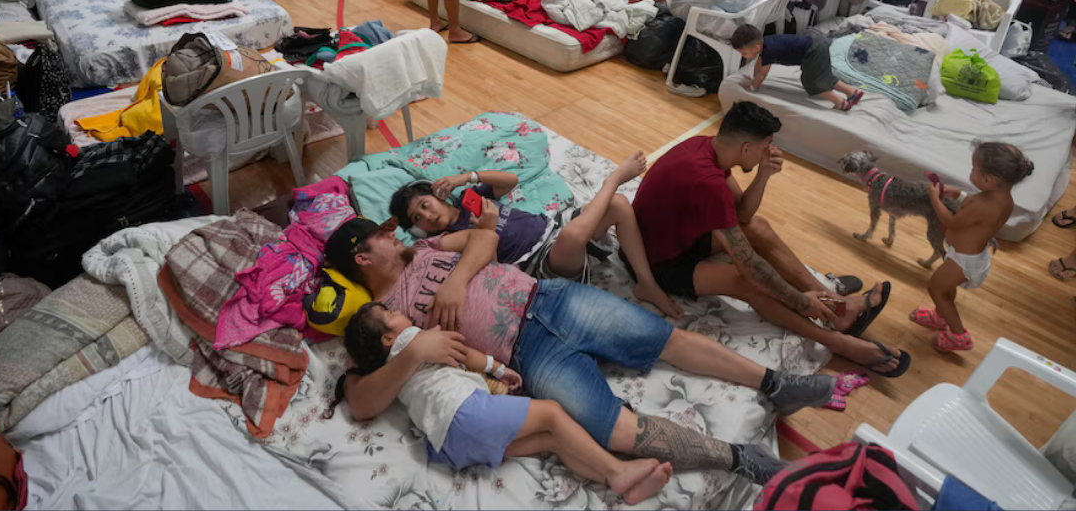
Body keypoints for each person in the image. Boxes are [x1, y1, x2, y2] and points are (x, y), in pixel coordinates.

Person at [325, 217, 837, 486]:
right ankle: (740, 459)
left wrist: (456, 282)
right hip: (528, 355)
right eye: (382, 235)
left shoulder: (426, 249)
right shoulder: (375, 318)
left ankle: (777, 384)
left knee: (667, 340)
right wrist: (416, 353)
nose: (395, 235)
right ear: (362, 257)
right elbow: (361, 400)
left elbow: (484, 238)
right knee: (610, 429)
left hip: (549, 298)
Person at [632, 101, 910, 377]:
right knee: (744, 282)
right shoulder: (708, 183)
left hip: (679, 237)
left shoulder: (708, 147)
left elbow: (743, 215)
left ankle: (838, 307)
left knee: (758, 227)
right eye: (766, 146)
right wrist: (801, 302)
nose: (771, 151)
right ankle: (840, 344)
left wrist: (763, 174)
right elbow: (750, 267)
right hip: (657, 262)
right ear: (746, 148)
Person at [337, 303, 674, 502]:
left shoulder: (388, 374)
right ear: (388, 338)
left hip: (451, 443)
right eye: (391, 312)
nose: (400, 311)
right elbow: (463, 353)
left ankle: (618, 485)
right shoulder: (412, 340)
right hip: (465, 413)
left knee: (552, 440)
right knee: (552, 414)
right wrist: (498, 368)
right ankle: (618, 470)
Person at [388, 152, 682, 319]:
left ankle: (646, 283)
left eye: (424, 205)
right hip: (539, 263)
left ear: (437, 195)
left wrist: (467, 177)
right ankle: (613, 179)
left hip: (553, 224)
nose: (426, 216)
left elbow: (510, 181)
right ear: (417, 230)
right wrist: (486, 229)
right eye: (417, 219)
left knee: (618, 204)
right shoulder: (449, 240)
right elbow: (491, 270)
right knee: (572, 235)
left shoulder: (470, 198)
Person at [918, 142, 1033, 351]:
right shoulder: (1002, 198)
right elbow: (975, 205)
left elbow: (952, 222)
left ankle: (958, 336)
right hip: (968, 257)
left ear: (988, 179)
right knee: (944, 289)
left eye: (974, 169)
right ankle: (940, 316)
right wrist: (958, 194)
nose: (971, 171)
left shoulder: (984, 204)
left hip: (963, 261)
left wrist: (934, 199)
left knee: (935, 288)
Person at [731, 25, 863, 112]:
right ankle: (852, 92)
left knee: (812, 82)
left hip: (813, 51)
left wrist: (752, 87)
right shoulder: (766, 43)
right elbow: (759, 64)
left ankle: (840, 103)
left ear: (756, 48)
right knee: (823, 75)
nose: (743, 56)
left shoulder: (769, 51)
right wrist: (753, 78)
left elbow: (762, 74)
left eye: (744, 53)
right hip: (816, 44)